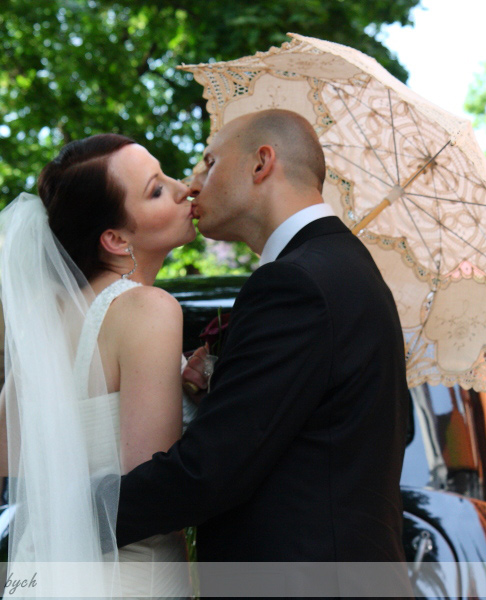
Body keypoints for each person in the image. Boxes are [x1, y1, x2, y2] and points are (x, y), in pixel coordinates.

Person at [116, 109, 414, 598]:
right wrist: (220, 380)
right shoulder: (341, 267)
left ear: (261, 164)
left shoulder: (297, 281)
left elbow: (210, 470)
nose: (192, 185)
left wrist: (76, 513)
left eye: (208, 163)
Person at [0, 133, 196, 598]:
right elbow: (152, 483)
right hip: (130, 577)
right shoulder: (149, 308)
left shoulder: (54, 312)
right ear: (116, 238)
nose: (184, 187)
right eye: (157, 189)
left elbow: (4, 454)